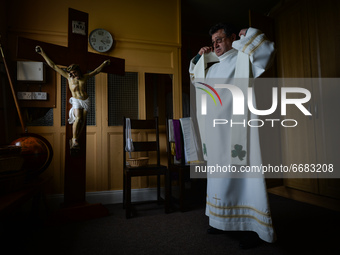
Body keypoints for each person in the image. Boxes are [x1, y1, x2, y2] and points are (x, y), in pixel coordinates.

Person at [189, 23, 276, 249]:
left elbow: (266, 48)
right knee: (219, 178)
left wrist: (246, 33)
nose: (215, 44)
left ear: (232, 39)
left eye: (220, 39)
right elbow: (195, 80)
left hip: (239, 132)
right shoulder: (213, 67)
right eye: (213, 41)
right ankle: (221, 221)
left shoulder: (244, 58)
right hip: (217, 134)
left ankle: (252, 228)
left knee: (243, 178)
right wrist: (200, 59)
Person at [35, 46, 110, 149]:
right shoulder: (68, 77)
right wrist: (42, 53)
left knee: (83, 121)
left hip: (86, 100)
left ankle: (76, 139)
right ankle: (74, 140)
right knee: (78, 118)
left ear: (78, 70)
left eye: (75, 73)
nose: (74, 75)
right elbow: (53, 66)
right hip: (76, 101)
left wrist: (104, 64)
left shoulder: (85, 77)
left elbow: (96, 71)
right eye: (72, 74)